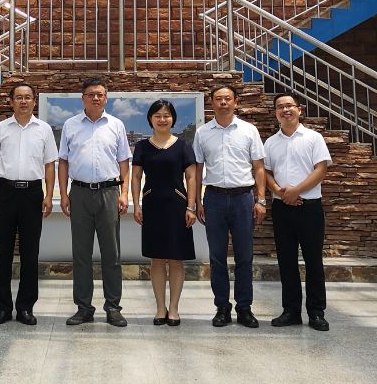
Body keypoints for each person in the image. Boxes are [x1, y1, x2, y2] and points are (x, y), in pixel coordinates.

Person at [58, 77, 132, 328]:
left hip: (109, 192)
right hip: (79, 193)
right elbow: (63, 161)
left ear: (106, 98)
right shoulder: (70, 125)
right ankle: (83, 308)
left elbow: (124, 161)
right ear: (83, 98)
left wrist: (124, 193)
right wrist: (64, 194)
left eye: (100, 94)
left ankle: (113, 307)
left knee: (112, 253)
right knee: (81, 254)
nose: (96, 98)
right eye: (91, 94)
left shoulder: (116, 125)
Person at [193, 84, 267, 328]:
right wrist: (197, 200)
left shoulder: (249, 130)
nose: (223, 103)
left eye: (227, 98)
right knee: (217, 257)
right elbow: (198, 169)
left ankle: (244, 308)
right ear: (211, 103)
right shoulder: (203, 133)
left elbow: (258, 167)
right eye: (218, 99)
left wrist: (261, 200)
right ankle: (222, 307)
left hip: (243, 198)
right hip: (213, 199)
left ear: (236, 102)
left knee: (245, 256)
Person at [0, 82, 58, 326]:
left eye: (28, 97)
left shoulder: (44, 129)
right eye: (19, 97)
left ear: (34, 101)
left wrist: (48, 195)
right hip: (4, 193)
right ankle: (2, 308)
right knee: (2, 253)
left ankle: (26, 307)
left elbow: (50, 165)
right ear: (11, 101)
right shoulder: (0, 128)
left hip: (32, 194)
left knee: (30, 253)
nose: (24, 101)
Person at [264, 91, 333, 332]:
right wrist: (280, 192)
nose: (285, 110)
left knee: (313, 260)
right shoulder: (270, 143)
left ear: (299, 110)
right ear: (275, 113)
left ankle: (316, 312)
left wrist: (296, 191)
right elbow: (266, 172)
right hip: (281, 208)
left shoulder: (314, 138)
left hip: (309, 207)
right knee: (286, 261)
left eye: (289, 106)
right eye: (280, 107)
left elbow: (321, 169)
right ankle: (291, 311)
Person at [132, 99, 198, 327]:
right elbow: (136, 177)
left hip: (178, 207)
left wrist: (191, 206)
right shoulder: (142, 146)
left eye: (166, 115)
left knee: (176, 259)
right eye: (158, 115)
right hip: (152, 206)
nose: (162, 119)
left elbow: (191, 177)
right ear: (150, 119)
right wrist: (137, 205)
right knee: (157, 258)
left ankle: (174, 309)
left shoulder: (183, 146)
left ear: (173, 119)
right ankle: (160, 307)